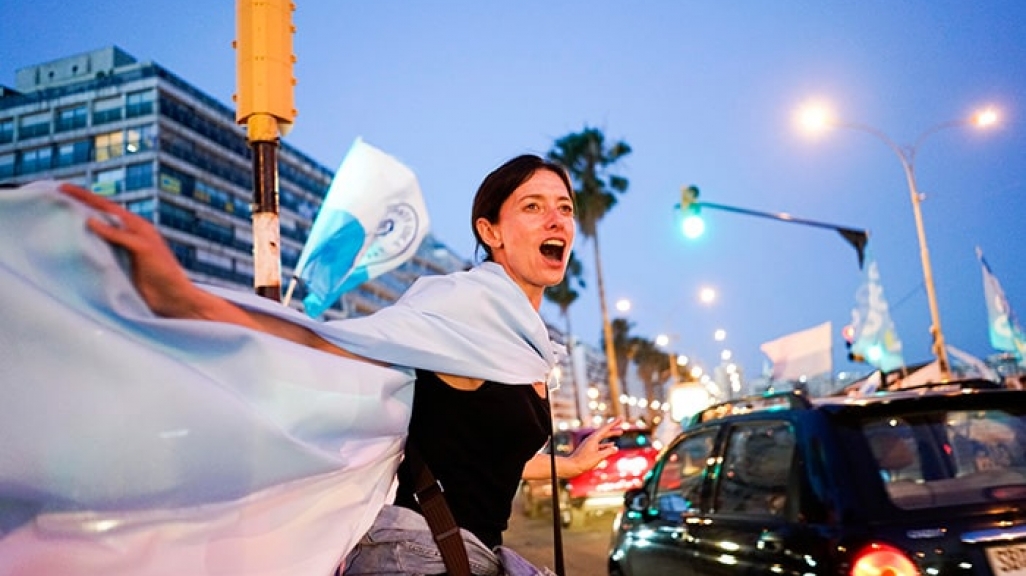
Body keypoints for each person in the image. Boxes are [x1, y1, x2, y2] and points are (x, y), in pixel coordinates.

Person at [56, 153, 623, 575]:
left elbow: (474, 455)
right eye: (533, 206)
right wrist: (187, 302)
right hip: (418, 556)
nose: (556, 220)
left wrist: (566, 468)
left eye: (565, 208)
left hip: (468, 556)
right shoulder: (461, 306)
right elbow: (328, 346)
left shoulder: (523, 341)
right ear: (490, 232)